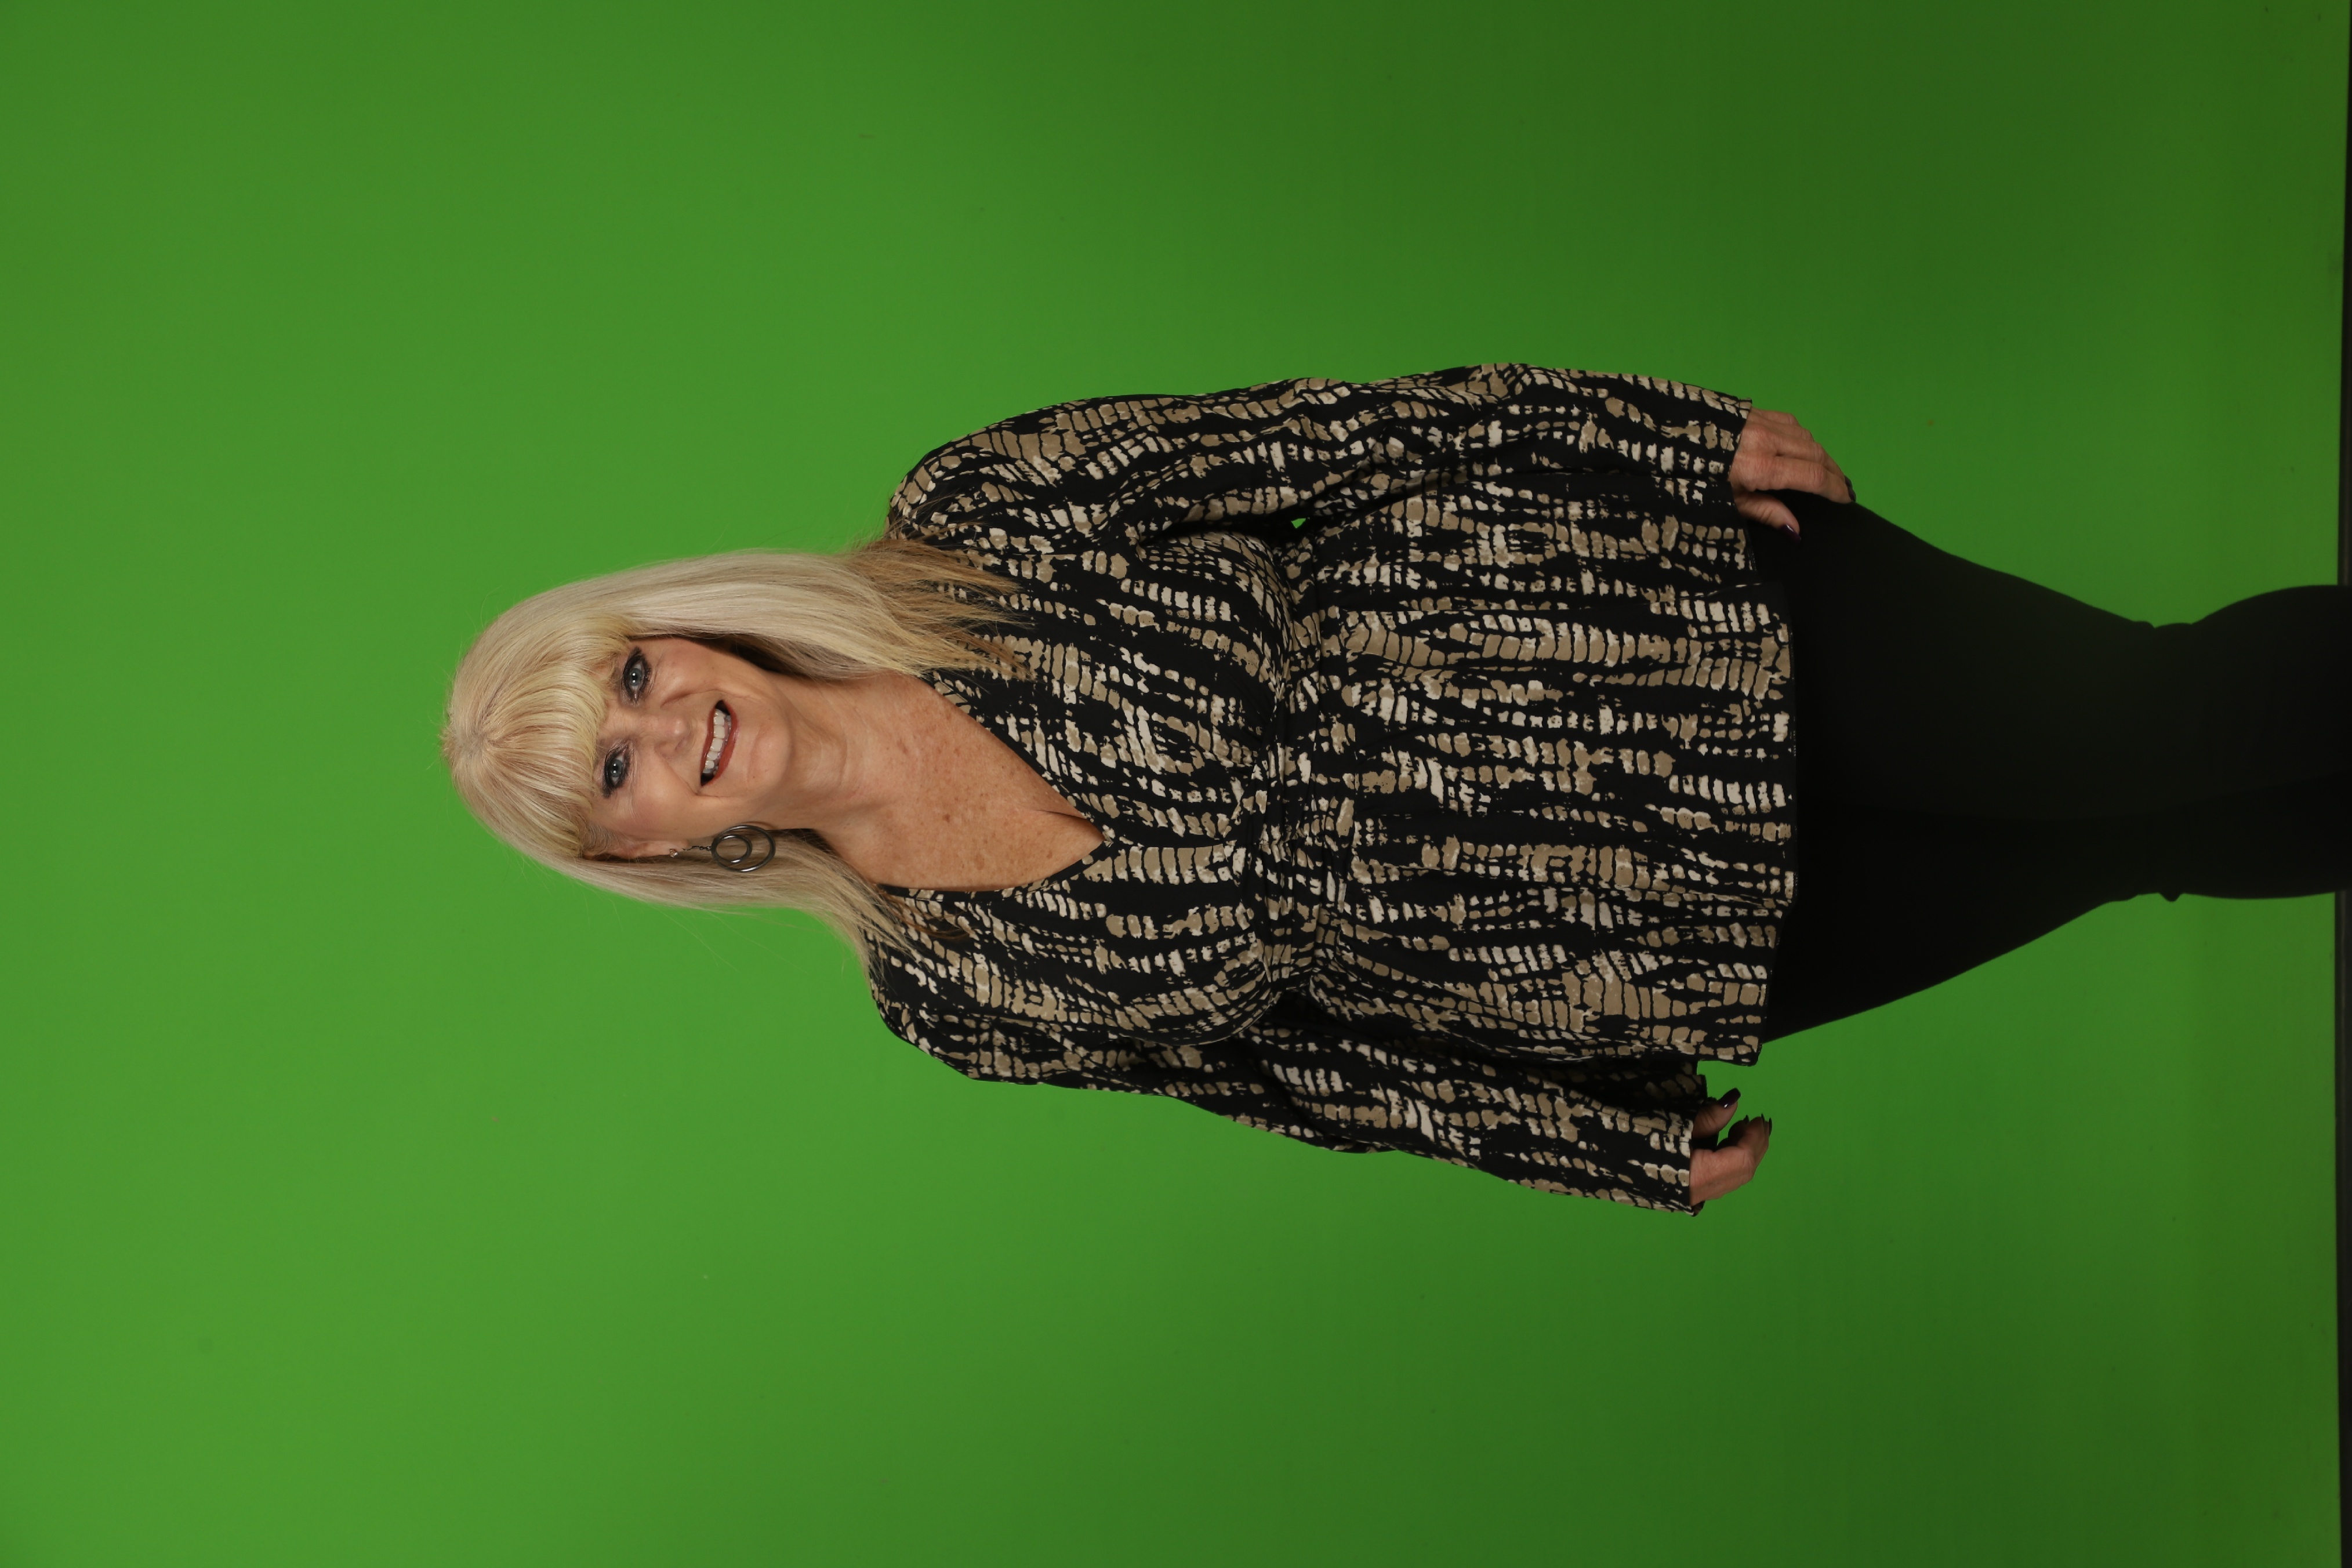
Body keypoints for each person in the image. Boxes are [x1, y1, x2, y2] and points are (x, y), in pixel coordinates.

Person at [441, 365, 2352, 1212]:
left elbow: (1326, 437)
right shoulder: (949, 995)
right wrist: (1592, 1145)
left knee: (2158, 722)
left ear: (680, 628)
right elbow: (1301, 1076)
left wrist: (1655, 435)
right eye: (615, 769)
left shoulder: (974, 517)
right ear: (647, 848)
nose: (666, 726)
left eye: (634, 673)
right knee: (2149, 848)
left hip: (1670, 639)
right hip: (1648, 953)